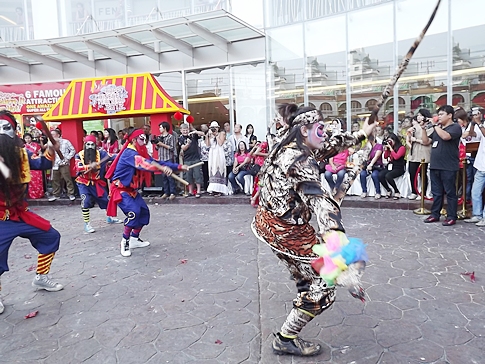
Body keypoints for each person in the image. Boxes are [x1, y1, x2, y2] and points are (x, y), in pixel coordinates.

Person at [251, 104, 375, 357]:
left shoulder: (289, 144)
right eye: (320, 129)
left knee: (307, 272)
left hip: (268, 225)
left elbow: (330, 145)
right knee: (325, 289)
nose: (325, 133)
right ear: (304, 129)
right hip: (288, 234)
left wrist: (361, 135)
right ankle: (286, 338)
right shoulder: (299, 160)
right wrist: (336, 238)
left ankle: (304, 284)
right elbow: (319, 198)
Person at [0, 110, 64, 314]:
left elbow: (42, 164)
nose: (1, 133)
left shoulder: (22, 153)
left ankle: (41, 277)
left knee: (51, 236)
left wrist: (52, 149)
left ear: (15, 131)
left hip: (20, 213)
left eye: (6, 128)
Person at [105, 128, 188, 257]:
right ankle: (125, 241)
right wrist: (162, 168)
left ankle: (134, 239)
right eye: (141, 139)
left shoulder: (139, 152)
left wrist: (178, 167)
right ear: (133, 140)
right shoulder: (129, 153)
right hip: (120, 190)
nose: (144, 141)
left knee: (143, 213)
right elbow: (145, 164)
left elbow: (155, 162)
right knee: (133, 213)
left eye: (145, 139)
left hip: (131, 191)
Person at [422, 105, 462, 226]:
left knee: (450, 192)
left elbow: (446, 137)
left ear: (450, 115)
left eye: (441, 114)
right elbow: (426, 142)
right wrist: (423, 129)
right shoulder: (438, 129)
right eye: (438, 115)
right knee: (436, 192)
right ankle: (435, 214)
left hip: (448, 166)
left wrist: (435, 126)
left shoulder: (455, 127)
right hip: (435, 165)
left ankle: (451, 216)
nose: (439, 117)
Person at [74, 135, 122, 233]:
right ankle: (87, 224)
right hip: (83, 182)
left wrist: (123, 154)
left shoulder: (101, 154)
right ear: (84, 145)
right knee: (86, 201)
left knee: (106, 201)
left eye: (92, 144)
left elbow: (113, 156)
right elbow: (78, 168)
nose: (90, 147)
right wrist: (89, 166)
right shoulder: (79, 155)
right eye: (88, 144)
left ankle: (110, 217)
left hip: (96, 182)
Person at [464, 112, 485, 226]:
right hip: (481, 164)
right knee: (475, 191)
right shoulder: (480, 124)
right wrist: (472, 124)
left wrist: (479, 123)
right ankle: (477, 215)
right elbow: (470, 135)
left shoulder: (481, 124)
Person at [406, 109, 432, 200]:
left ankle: (423, 192)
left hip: (424, 152)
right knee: (412, 173)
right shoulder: (415, 126)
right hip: (414, 152)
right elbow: (409, 136)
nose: (418, 117)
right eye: (418, 115)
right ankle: (414, 191)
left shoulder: (429, 126)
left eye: (421, 115)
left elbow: (427, 141)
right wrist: (409, 134)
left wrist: (416, 140)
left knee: (422, 174)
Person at [49, 128, 76, 202]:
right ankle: (56, 194)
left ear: (58, 135)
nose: (52, 136)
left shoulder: (65, 142)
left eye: (53, 134)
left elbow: (73, 150)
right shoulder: (50, 143)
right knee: (55, 180)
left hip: (64, 163)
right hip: (55, 163)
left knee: (67, 179)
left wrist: (67, 158)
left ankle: (71, 194)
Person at [178, 123, 204, 198]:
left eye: (186, 130)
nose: (185, 131)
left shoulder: (193, 135)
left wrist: (195, 131)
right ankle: (190, 191)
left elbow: (203, 134)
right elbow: (183, 148)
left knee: (197, 175)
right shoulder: (181, 138)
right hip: (187, 159)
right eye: (184, 130)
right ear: (181, 131)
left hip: (196, 158)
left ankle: (198, 191)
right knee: (188, 176)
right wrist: (188, 144)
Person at [153, 121, 177, 200]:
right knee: (164, 177)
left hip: (168, 158)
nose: (159, 129)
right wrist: (157, 144)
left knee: (170, 176)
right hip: (161, 159)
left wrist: (162, 144)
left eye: (160, 127)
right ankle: (166, 192)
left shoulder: (171, 137)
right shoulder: (159, 137)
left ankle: (173, 192)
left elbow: (172, 148)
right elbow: (157, 148)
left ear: (165, 128)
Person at [379, 132, 406, 199]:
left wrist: (391, 149)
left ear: (395, 140)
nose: (390, 143)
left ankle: (397, 192)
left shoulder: (401, 148)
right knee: (380, 175)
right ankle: (388, 190)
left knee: (388, 176)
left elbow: (396, 157)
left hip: (399, 167)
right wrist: (386, 149)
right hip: (391, 166)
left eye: (391, 141)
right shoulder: (390, 148)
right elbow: (385, 157)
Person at [206, 121, 229, 196]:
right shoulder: (210, 135)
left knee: (219, 169)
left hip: (219, 153)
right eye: (213, 128)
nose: (214, 129)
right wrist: (207, 136)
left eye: (215, 127)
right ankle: (213, 189)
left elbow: (220, 143)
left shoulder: (221, 133)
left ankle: (219, 190)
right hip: (212, 154)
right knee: (212, 169)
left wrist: (216, 135)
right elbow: (208, 145)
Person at [359, 134, 384, 199]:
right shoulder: (368, 147)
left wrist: (371, 164)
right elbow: (366, 158)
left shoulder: (379, 146)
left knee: (374, 175)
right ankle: (364, 191)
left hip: (376, 166)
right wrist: (368, 150)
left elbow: (377, 156)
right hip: (368, 165)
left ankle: (378, 192)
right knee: (362, 174)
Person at [23, 133, 45, 199]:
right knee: (30, 180)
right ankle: (31, 195)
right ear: (24, 139)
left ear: (31, 138)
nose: (27, 139)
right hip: (28, 164)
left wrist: (39, 156)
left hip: (36, 162)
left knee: (38, 179)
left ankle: (39, 194)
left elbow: (40, 153)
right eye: (26, 138)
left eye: (29, 138)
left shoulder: (36, 145)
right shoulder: (23, 146)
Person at [198, 124, 210, 191]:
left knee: (210, 174)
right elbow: (199, 150)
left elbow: (209, 146)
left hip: (210, 159)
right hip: (203, 159)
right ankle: (205, 187)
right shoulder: (201, 141)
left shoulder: (210, 139)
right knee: (205, 174)